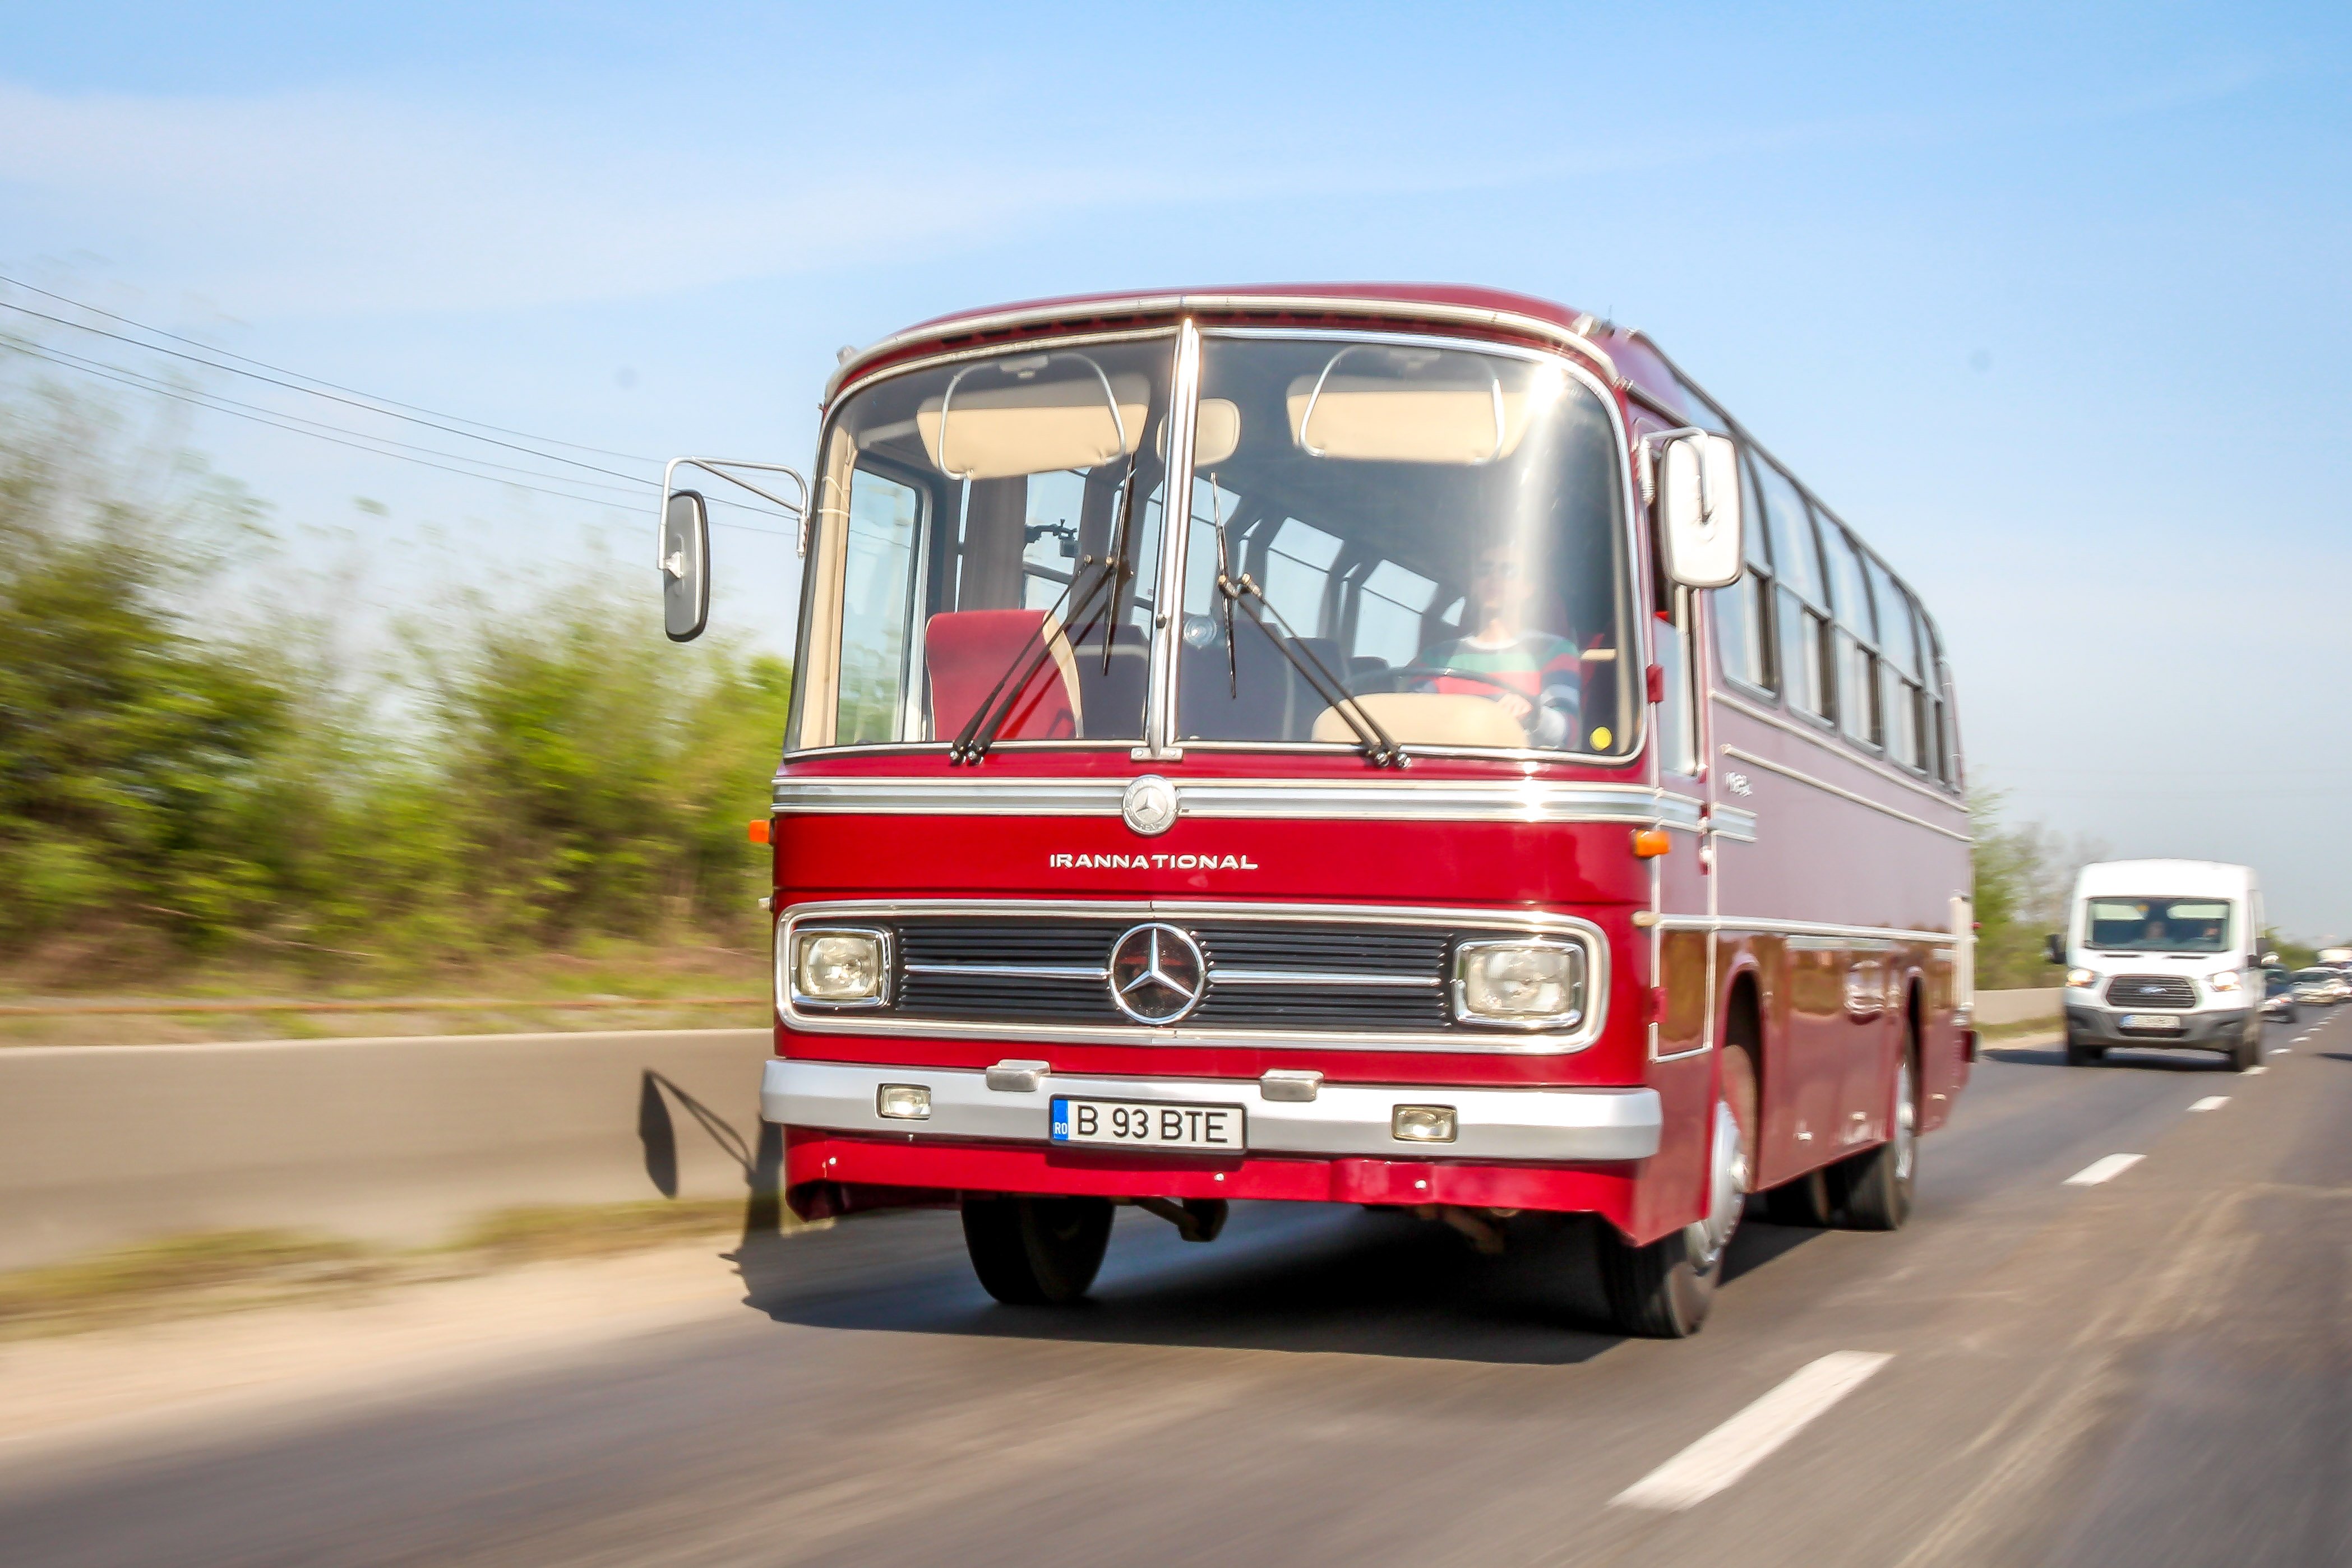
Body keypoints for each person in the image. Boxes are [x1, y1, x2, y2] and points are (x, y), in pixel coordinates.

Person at [1415, 538, 1583, 748]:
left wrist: (1534, 714)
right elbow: (1413, 718)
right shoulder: (1437, 657)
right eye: (1484, 570)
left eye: (1508, 571)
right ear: (1475, 586)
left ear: (1528, 588)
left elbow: (1568, 730)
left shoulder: (1555, 651)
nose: (1494, 577)